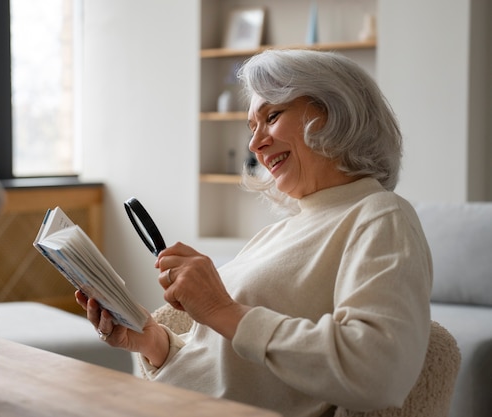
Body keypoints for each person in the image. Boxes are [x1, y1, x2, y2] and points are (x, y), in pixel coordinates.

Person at [75, 49, 432, 417]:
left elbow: (378, 374)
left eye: (272, 116)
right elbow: (231, 370)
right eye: (251, 127)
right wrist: (152, 342)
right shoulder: (279, 233)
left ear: (333, 112)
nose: (254, 144)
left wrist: (220, 308)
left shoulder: (380, 215)